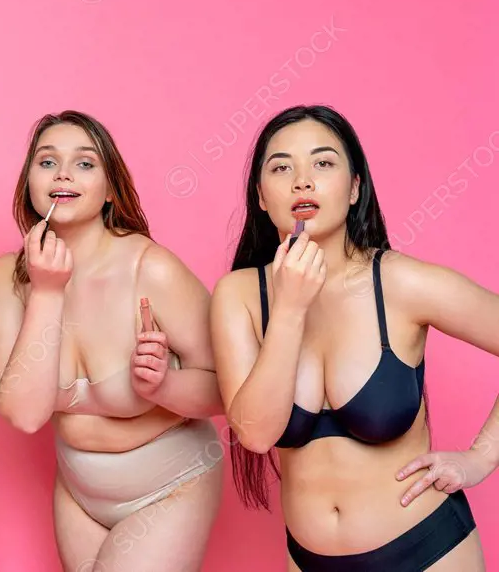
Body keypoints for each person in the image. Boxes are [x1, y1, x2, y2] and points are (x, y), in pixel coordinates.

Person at [210, 104, 498, 571]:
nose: (302, 181)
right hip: (309, 560)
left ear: (355, 188)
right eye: (281, 167)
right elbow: (257, 434)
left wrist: (481, 458)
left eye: (323, 163)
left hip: (429, 551)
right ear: (261, 196)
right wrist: (289, 310)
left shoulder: (402, 284)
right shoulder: (240, 295)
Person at [0, 110, 224, 572]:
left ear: (111, 189)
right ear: (29, 183)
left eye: (86, 163)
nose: (64, 173)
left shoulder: (150, 269)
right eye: (47, 162)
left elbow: (228, 390)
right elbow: (25, 414)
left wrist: (163, 388)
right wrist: (48, 292)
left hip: (172, 484)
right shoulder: (7, 280)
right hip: (79, 494)